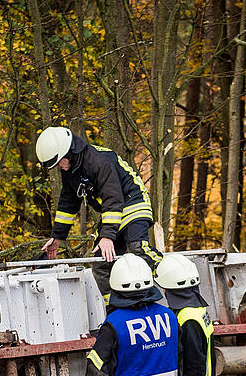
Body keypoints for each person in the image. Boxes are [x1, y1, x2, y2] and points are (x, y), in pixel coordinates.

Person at [35, 127, 162, 299]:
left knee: (137, 248)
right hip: (113, 212)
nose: (59, 168)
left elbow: (112, 197)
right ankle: (113, 308)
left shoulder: (98, 161)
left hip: (133, 202)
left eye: (58, 163)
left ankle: (170, 272)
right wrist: (57, 237)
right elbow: (68, 203)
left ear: (67, 152)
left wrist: (107, 236)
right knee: (102, 264)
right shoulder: (71, 170)